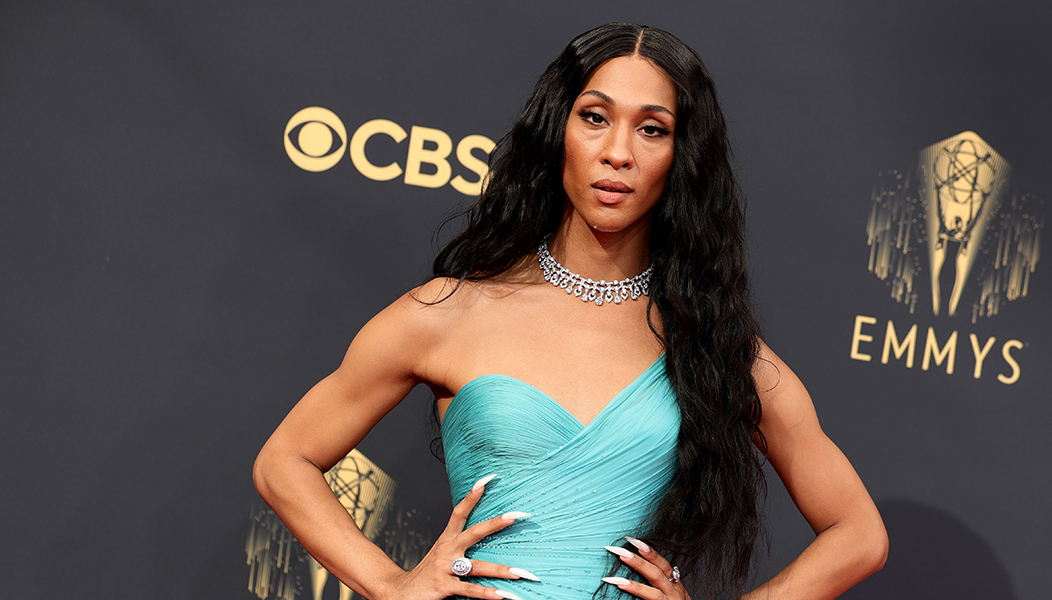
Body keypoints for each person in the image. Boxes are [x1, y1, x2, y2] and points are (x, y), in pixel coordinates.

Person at [254, 22, 887, 600]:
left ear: (682, 158)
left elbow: (858, 534)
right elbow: (285, 461)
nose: (618, 152)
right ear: (558, 129)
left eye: (652, 128)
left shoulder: (712, 345)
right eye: (594, 117)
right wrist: (390, 585)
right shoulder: (451, 311)